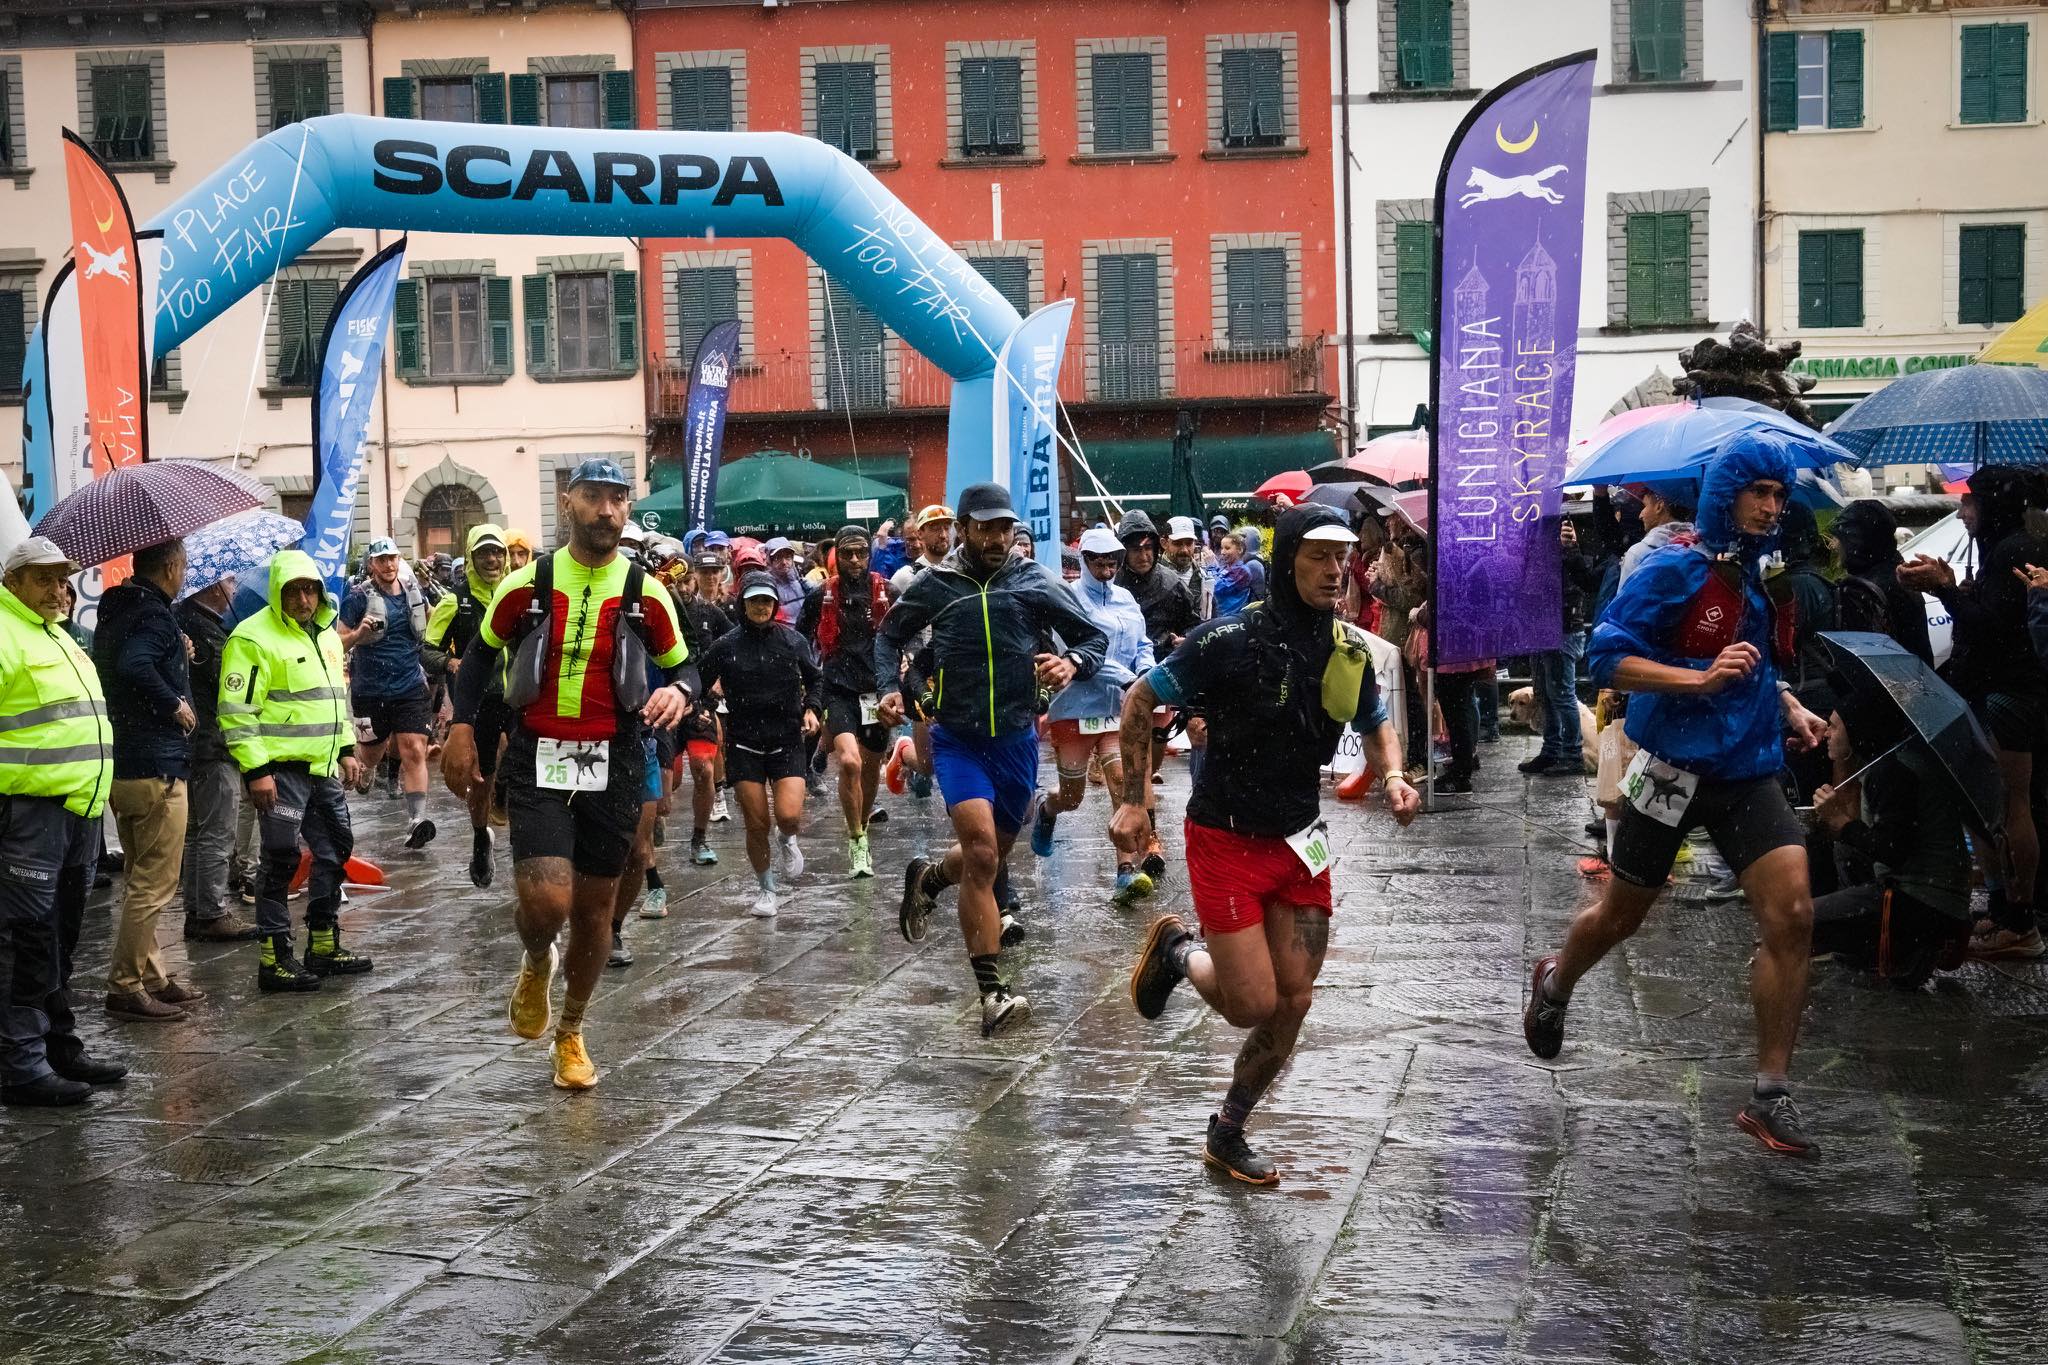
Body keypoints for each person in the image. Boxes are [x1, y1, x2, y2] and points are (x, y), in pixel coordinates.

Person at [1523, 432, 1830, 1157]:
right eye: (1760, 492)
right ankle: (1556, 979)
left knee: (1793, 912)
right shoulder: (1672, 567)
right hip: (1671, 770)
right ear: (1728, 494)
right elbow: (1605, 656)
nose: (1771, 506)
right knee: (1620, 917)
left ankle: (1770, 1093)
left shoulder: (1756, 573)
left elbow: (1745, 663)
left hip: (1747, 772)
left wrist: (1788, 705)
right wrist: (1696, 680)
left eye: (1779, 496)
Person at [1123, 505, 1418, 1184]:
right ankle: (1178, 949)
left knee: (1295, 998)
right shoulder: (1228, 636)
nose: (1335, 569)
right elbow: (1142, 699)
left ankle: (1228, 1130)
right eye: (1318, 555)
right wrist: (1133, 802)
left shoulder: (1346, 647)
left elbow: (1376, 722)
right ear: (1287, 560)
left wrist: (1396, 775)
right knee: (1251, 1002)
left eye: (1341, 557)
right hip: (1225, 836)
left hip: (1298, 841)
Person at [442, 458, 696, 1091]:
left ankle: (572, 1031)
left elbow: (687, 668)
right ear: (568, 503)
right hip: (539, 755)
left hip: (616, 758)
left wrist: (682, 695)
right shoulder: (527, 584)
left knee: (595, 914)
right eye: (593, 498)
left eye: (617, 499)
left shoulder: (646, 592)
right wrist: (462, 726)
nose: (606, 510)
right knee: (547, 901)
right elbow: (477, 657)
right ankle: (535, 960)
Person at [877, 483, 1108, 1038]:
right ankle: (992, 993)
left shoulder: (1033, 581)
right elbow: (888, 639)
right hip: (957, 739)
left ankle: (930, 879)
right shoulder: (937, 587)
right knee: (982, 855)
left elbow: (1093, 638)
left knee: (993, 854)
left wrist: (1072, 661)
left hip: (1016, 740)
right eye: (986, 528)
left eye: (1006, 527)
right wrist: (891, 687)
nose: (999, 538)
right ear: (962, 527)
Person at [0, 538, 129, 1106]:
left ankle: (58, 1045)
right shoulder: (6, 634)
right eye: (45, 579)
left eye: (63, 580)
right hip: (29, 812)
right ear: (14, 581)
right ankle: (21, 1064)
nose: (59, 590)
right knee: (25, 940)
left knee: (60, 936)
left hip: (78, 810)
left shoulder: (57, 634)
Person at [1900, 467, 2048, 960]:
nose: (1963, 515)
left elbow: (1993, 628)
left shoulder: (2015, 551)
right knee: (1988, 806)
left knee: (2010, 805)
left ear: (1993, 507)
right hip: (1992, 690)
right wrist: (1951, 583)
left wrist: (1944, 589)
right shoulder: (2001, 548)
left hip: (2013, 695)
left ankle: (2022, 923)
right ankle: (2004, 908)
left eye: (1970, 505)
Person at [220, 550, 368, 994]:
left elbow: (335, 700)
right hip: (280, 769)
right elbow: (236, 711)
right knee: (281, 860)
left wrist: (345, 750)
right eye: (294, 591)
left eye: (310, 590)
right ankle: (275, 956)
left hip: (322, 766)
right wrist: (257, 769)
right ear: (278, 593)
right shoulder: (251, 639)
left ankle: (322, 942)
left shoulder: (324, 634)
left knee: (336, 849)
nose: (304, 599)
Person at [94, 538, 205, 1022]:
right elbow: (134, 665)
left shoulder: (118, 610)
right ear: (172, 567)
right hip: (157, 766)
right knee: (155, 884)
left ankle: (154, 975)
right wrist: (173, 702)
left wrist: (176, 652)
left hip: (124, 764)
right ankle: (124, 985)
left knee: (143, 878)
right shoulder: (154, 615)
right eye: (183, 566)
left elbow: (130, 659)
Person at [1809, 696, 1971, 987]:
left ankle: (1897, 952)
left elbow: (1894, 850)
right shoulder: (1885, 762)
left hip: (1922, 905)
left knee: (1795, 920)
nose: (1827, 733)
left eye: (1834, 726)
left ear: (1858, 730)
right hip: (1925, 901)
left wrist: (1842, 823)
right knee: (1841, 848)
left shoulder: (1893, 771)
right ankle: (1868, 949)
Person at [1032, 528, 1156, 902]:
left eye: (1113, 561)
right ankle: (1047, 809)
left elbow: (1143, 643)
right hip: (1074, 708)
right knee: (1073, 796)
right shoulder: (1067, 599)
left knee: (1121, 781)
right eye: (1098, 560)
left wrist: (1147, 672)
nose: (1107, 566)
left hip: (1117, 709)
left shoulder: (1126, 599)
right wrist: (1128, 678)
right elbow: (1076, 657)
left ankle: (1125, 871)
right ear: (1083, 560)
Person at [698, 572, 822, 916]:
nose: (761, 607)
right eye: (754, 601)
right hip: (744, 744)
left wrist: (812, 708)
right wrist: (703, 709)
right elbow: (697, 682)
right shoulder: (726, 645)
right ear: (743, 603)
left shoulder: (792, 641)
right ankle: (767, 890)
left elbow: (816, 679)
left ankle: (788, 838)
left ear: (775, 604)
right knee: (756, 824)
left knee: (788, 816)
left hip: (786, 740)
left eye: (767, 601)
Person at [798, 525, 893, 879]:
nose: (854, 560)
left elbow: (904, 633)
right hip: (836, 689)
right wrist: (805, 681)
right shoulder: (821, 594)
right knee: (850, 763)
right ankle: (856, 841)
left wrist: (903, 667)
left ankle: (862, 826)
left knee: (869, 768)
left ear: (870, 554)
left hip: (874, 693)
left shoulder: (887, 591)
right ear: (835, 555)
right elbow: (800, 639)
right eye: (847, 553)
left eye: (861, 553)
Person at [422, 524, 511, 888]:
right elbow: (426, 650)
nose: (492, 559)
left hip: (518, 696)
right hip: (479, 702)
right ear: (471, 558)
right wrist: (450, 663)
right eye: (483, 553)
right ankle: (479, 836)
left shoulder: (516, 594)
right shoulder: (453, 601)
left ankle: (509, 807)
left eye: (497, 553)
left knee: (519, 759)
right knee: (482, 776)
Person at [338, 538, 437, 851]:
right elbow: (338, 641)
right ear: (371, 565)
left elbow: (430, 620)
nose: (388, 565)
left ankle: (417, 820)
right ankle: (362, 773)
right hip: (370, 690)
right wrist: (358, 635)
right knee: (371, 754)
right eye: (381, 560)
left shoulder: (412, 592)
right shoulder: (357, 598)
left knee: (414, 750)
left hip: (409, 685)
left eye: (392, 558)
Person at [177, 568, 259, 944]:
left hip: (196, 742)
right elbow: (227, 682)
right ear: (210, 589)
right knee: (216, 831)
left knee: (197, 831)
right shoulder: (207, 630)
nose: (233, 588)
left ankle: (197, 909)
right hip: (213, 742)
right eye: (228, 582)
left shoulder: (191, 623)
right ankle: (210, 911)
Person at [1519, 519, 1599, 777]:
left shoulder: (1572, 545)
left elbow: (1585, 581)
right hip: (1541, 626)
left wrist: (1569, 548)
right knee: (1545, 693)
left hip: (1564, 627)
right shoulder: (1538, 547)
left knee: (1562, 695)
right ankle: (1552, 750)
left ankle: (1571, 754)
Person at [1833, 499, 1932, 663]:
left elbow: (1864, 659)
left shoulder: (1861, 590)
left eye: (1841, 539)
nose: (1835, 546)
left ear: (1854, 542)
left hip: (1884, 684)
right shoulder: (1900, 572)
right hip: (1915, 679)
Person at [888, 504, 955, 596]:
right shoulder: (906, 576)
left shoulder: (963, 570)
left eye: (947, 528)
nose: (943, 535)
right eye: (935, 529)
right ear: (920, 534)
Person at [1163, 516, 1210, 620]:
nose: (1184, 550)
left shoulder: (1203, 576)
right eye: (1178, 543)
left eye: (1189, 543)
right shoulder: (1154, 576)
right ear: (1164, 543)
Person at [1212, 532, 1264, 617]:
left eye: (1227, 548)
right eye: (1222, 548)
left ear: (1240, 550)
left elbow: (1217, 588)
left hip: (1231, 617)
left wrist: (1211, 566)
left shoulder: (1242, 571)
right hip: (1220, 615)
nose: (1222, 552)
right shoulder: (1225, 567)